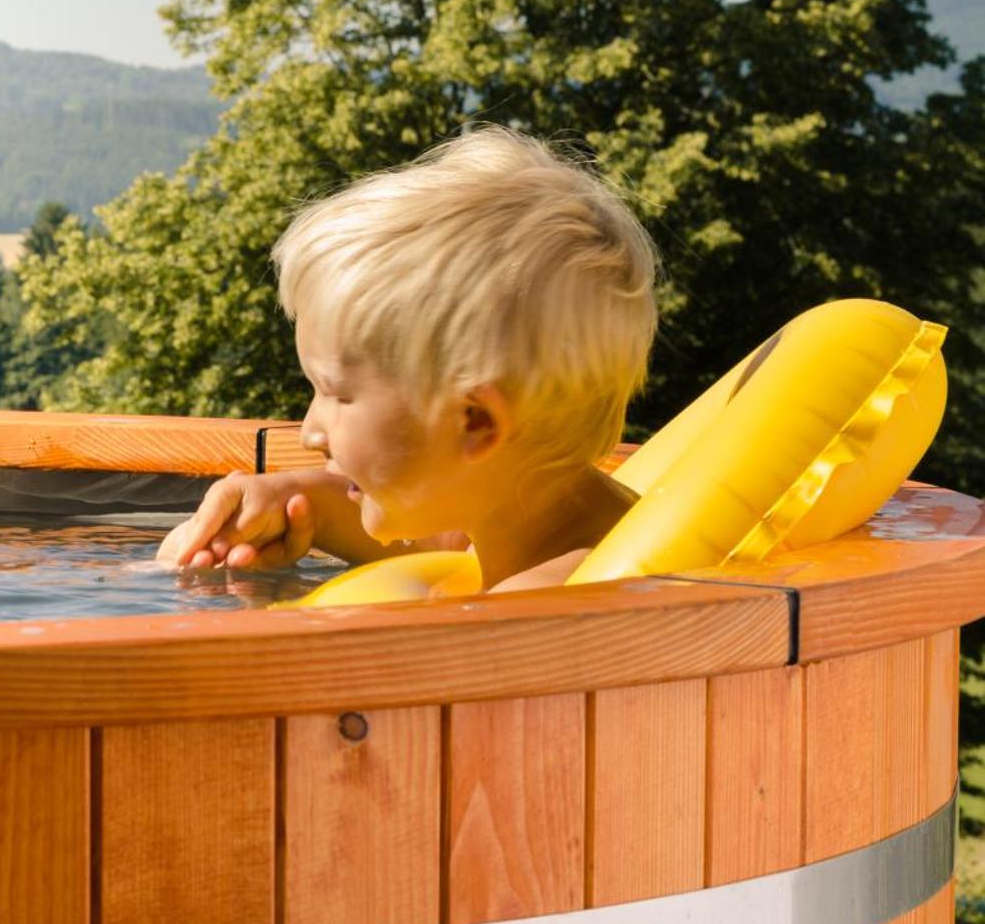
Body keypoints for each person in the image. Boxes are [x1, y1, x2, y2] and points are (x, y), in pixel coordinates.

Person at [158, 126, 658, 592]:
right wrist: (289, 498)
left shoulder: (543, 617)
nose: (310, 430)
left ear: (476, 421)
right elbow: (444, 531)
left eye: (336, 393)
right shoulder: (535, 518)